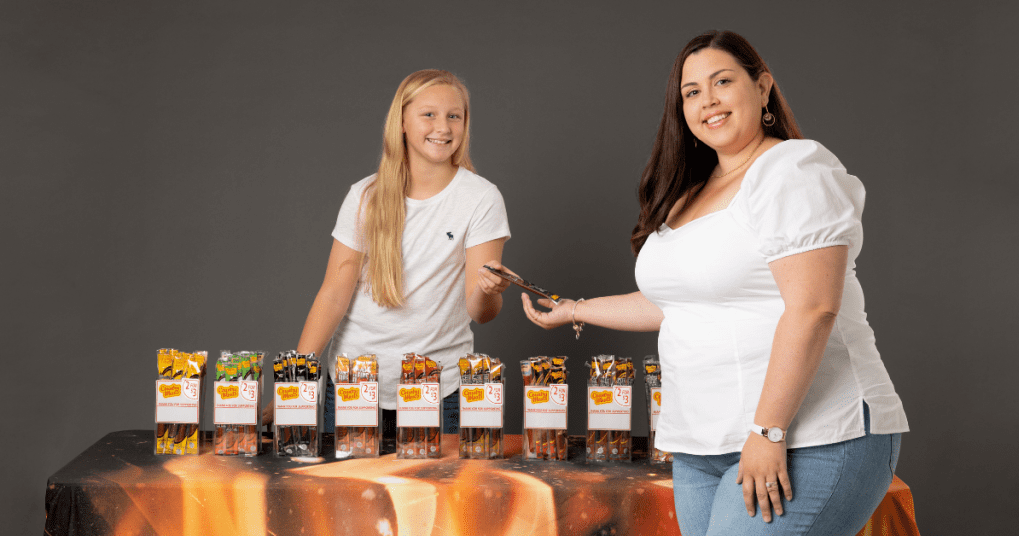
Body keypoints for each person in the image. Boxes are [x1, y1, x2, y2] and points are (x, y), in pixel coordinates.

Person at [521, 31, 908, 535]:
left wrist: (767, 432)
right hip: (702, 446)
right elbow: (678, 304)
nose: (708, 101)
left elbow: (814, 307)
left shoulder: (792, 169)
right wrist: (575, 310)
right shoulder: (690, 194)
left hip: (810, 435)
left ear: (762, 87)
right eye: (692, 92)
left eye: (723, 82)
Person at [264, 69, 513, 437]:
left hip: (439, 390)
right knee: (347, 494)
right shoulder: (365, 196)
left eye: (454, 116)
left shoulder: (481, 198)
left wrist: (488, 291)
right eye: (428, 114)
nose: (442, 127)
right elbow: (333, 295)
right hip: (353, 386)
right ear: (401, 123)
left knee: (435, 495)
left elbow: (481, 312)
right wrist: (295, 384)